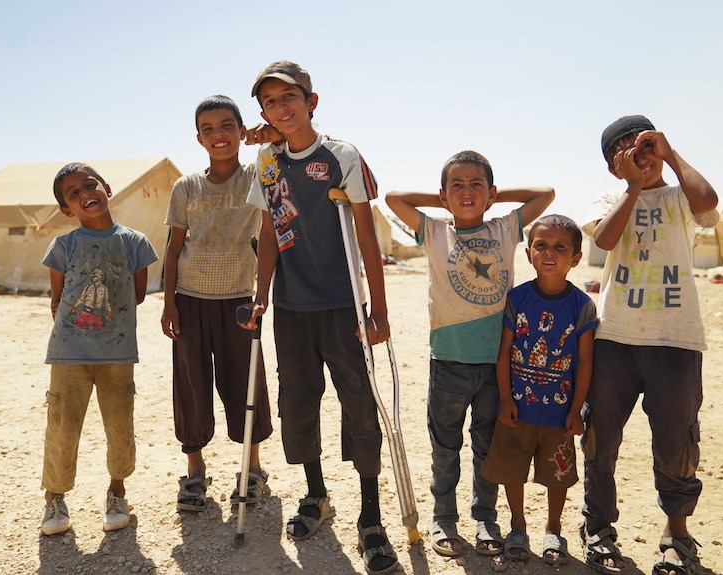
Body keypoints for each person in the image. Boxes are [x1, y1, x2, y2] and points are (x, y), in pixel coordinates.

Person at [241, 60, 397, 575]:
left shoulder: (340, 155)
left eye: (289, 97)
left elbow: (367, 237)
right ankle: (316, 495)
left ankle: (370, 517)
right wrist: (260, 295)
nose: (280, 108)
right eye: (269, 102)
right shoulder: (266, 161)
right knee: (299, 402)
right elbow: (268, 233)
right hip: (290, 306)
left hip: (341, 303)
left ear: (311, 100)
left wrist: (379, 308)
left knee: (358, 403)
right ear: (262, 111)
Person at [385, 151, 555, 558]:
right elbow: (393, 198)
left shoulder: (505, 229)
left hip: (497, 364)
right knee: (445, 447)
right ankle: (444, 518)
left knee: (486, 446)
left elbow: (546, 193)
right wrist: (445, 198)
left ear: (492, 193)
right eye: (457, 186)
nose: (467, 192)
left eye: (476, 184)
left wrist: (491, 198)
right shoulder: (435, 232)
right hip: (448, 360)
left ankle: (485, 519)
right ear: (444, 195)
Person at [580, 115, 718, 575]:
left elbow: (710, 201)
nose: (639, 154)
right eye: (625, 150)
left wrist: (670, 155)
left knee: (677, 440)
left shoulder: (681, 197)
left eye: (644, 144)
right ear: (612, 166)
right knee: (600, 439)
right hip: (616, 339)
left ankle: (677, 534)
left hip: (676, 340)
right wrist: (632, 186)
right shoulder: (610, 198)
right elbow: (604, 239)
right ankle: (598, 529)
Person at [161, 95, 275, 513]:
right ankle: (194, 472)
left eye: (227, 125)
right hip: (189, 301)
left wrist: (262, 293)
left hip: (239, 301)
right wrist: (169, 303)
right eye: (208, 129)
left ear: (242, 131)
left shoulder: (259, 177)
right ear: (198, 138)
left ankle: (253, 470)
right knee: (191, 386)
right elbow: (174, 249)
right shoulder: (186, 186)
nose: (218, 135)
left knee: (245, 385)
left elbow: (269, 235)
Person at [40, 162, 158, 535]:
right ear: (66, 209)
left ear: (106, 186)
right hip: (69, 354)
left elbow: (138, 294)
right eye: (73, 194)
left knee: (119, 426)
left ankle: (117, 491)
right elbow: (57, 299)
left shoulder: (136, 242)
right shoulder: (63, 245)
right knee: (62, 426)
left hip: (118, 355)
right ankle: (54, 498)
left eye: (90, 185)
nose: (85, 194)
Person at [481, 214, 597, 565]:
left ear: (575, 258)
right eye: (541, 245)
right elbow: (503, 353)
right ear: (529, 253)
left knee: (556, 475)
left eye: (560, 247)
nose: (550, 252)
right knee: (512, 470)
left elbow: (586, 362)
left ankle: (554, 529)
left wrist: (576, 409)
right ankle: (517, 527)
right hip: (518, 409)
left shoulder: (582, 306)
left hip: (559, 414)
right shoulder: (517, 299)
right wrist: (504, 398)